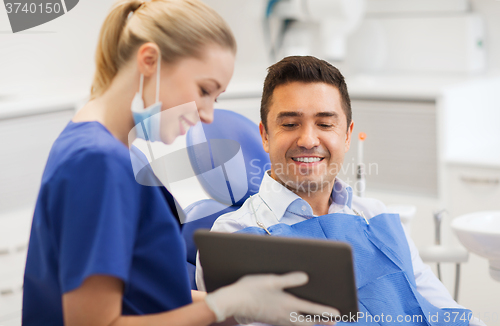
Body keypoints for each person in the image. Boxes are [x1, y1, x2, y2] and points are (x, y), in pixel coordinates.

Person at [22, 1, 341, 325]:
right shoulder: (99, 163)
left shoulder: (93, 144)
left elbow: (140, 294)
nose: (207, 115)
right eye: (204, 90)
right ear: (149, 61)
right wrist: (218, 307)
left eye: (214, 98)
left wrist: (243, 303)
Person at [196, 56, 485, 326]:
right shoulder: (232, 237)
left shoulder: (378, 217)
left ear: (347, 135)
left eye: (324, 124)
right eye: (289, 124)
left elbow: (445, 311)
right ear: (265, 136)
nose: (308, 139)